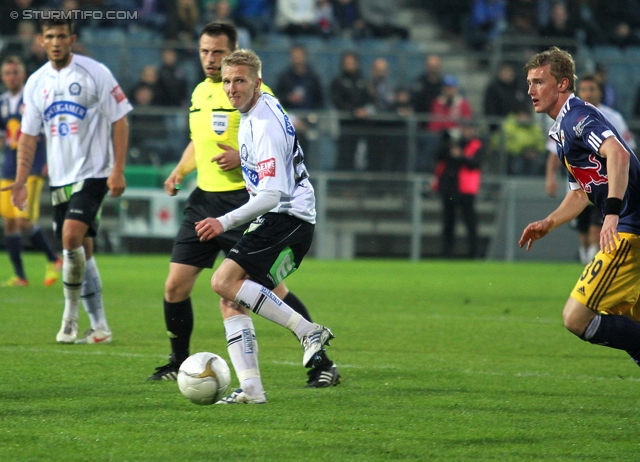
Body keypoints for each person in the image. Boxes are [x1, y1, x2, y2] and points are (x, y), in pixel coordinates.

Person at [146, 22, 340, 389]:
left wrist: (243, 163)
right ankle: (246, 387)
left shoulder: (261, 114)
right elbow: (200, 142)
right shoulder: (207, 95)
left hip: (260, 208)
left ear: (253, 77)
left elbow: (271, 187)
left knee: (249, 287)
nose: (212, 62)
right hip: (210, 200)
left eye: (218, 53)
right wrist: (179, 171)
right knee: (202, 291)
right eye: (205, 52)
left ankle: (315, 350)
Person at [191, 48, 335, 404]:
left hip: (287, 218)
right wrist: (244, 156)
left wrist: (223, 220)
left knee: (222, 281)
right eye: (227, 81)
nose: (231, 88)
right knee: (231, 301)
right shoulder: (259, 109)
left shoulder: (263, 122)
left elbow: (272, 194)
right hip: (287, 219)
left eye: (239, 80)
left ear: (257, 82)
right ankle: (252, 391)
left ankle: (308, 330)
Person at [2, 18, 132, 345]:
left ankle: (69, 318)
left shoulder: (95, 72)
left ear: (72, 39)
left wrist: (117, 169)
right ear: (41, 42)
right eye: (49, 36)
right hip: (60, 177)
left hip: (94, 172)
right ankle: (100, 326)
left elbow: (120, 120)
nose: (56, 41)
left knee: (70, 238)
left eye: (62, 35)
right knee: (82, 251)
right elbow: (29, 136)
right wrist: (20, 179)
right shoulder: (36, 83)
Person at [519, 46, 640, 370]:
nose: (531, 90)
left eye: (539, 81)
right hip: (631, 225)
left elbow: (619, 155)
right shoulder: (561, 130)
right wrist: (550, 222)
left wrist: (612, 213)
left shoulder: (577, 117)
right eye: (529, 82)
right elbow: (580, 193)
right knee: (625, 316)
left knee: (576, 317)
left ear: (562, 84)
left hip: (631, 228)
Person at [546, 72, 637, 264]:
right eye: (585, 89)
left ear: (600, 92)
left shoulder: (613, 117)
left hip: (609, 189)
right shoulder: (566, 122)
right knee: (584, 233)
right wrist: (550, 177)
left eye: (592, 89)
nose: (588, 93)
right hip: (583, 187)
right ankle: (587, 262)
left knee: (598, 230)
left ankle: (595, 268)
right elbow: (555, 153)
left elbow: (625, 151)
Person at [0, 55, 61, 287]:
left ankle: (53, 258)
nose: (11, 77)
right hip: (8, 167)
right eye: (7, 73)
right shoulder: (3, 102)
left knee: (23, 220)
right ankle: (20, 276)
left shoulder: (34, 96)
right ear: (3, 77)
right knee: (9, 222)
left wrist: (48, 160)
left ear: (23, 75)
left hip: (32, 166)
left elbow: (46, 130)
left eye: (15, 72)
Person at [431, 124, 483, 258]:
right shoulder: (454, 144)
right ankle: (447, 252)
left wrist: (460, 156)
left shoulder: (476, 145)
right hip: (450, 188)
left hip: (466, 189)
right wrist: (446, 139)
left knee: (470, 221)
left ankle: (474, 252)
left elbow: (475, 163)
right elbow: (439, 155)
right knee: (449, 221)